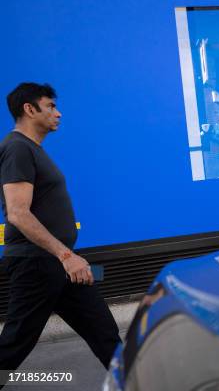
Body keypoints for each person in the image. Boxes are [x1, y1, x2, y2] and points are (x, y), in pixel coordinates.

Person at [0, 83, 120, 377]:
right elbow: (17, 213)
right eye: (51, 106)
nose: (59, 113)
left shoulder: (32, 150)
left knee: (106, 335)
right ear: (30, 109)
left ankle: (137, 383)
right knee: (13, 347)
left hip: (58, 264)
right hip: (37, 264)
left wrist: (66, 258)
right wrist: (66, 255)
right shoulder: (17, 148)